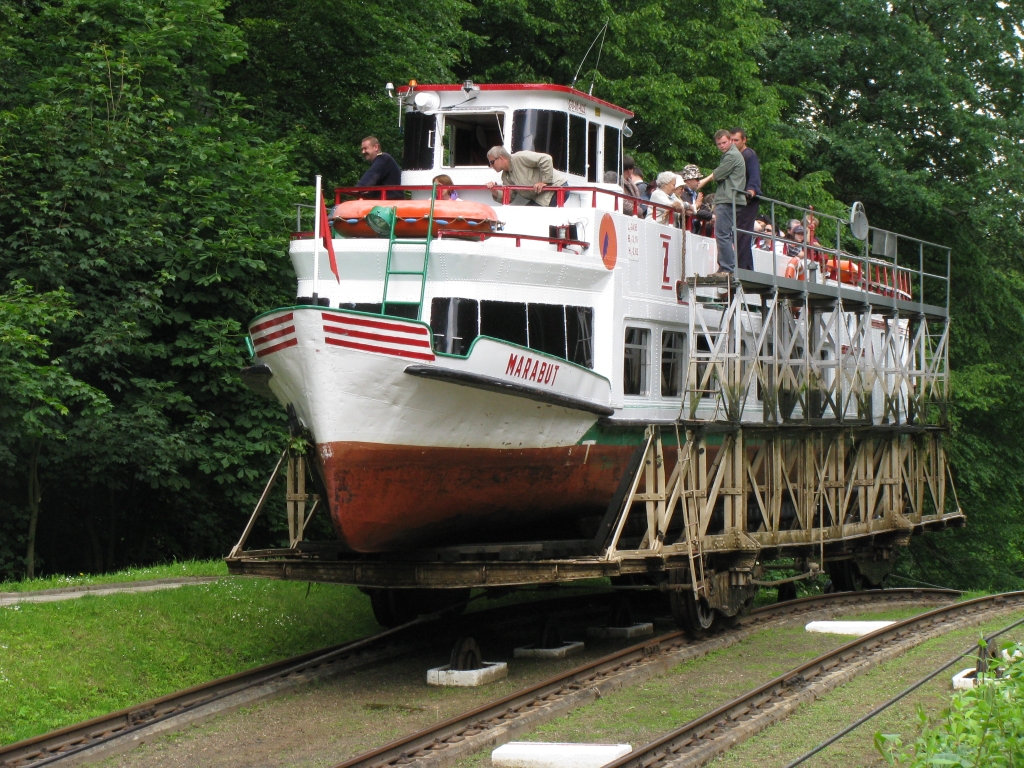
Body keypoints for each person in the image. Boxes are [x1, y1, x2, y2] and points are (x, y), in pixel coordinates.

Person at [697, 130, 746, 274]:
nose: (722, 146)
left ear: (730, 140)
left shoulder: (731, 155)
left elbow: (718, 174)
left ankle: (727, 268)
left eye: (724, 142)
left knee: (722, 234)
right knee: (723, 234)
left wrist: (704, 181)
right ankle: (724, 267)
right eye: (719, 144)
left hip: (727, 199)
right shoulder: (732, 154)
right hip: (731, 198)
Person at [485, 146, 568, 207]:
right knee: (525, 215)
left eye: (492, 162)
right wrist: (494, 191)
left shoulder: (519, 157)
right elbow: (509, 198)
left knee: (529, 217)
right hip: (541, 196)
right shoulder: (505, 176)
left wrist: (545, 181)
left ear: (501, 158)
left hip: (556, 187)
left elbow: (546, 159)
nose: (491, 166)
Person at [730, 127, 761, 271]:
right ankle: (747, 267)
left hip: (747, 200)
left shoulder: (749, 155)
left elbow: (754, 175)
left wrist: (751, 190)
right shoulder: (734, 156)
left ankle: (741, 268)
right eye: (731, 140)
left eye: (736, 140)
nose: (733, 143)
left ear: (744, 140)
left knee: (742, 233)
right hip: (737, 199)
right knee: (741, 233)